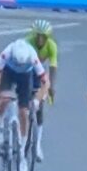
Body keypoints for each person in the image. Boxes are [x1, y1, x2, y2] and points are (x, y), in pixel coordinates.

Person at [0, 39, 51, 171]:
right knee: (4, 98)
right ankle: (0, 125)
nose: (19, 64)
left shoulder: (32, 56)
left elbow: (45, 83)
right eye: (17, 62)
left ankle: (23, 152)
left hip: (25, 76)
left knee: (24, 112)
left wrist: (37, 99)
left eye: (21, 63)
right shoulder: (7, 52)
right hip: (9, 73)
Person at [26, 19, 59, 162]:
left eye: (43, 37)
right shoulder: (27, 42)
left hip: (40, 74)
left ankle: (37, 144)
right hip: (26, 71)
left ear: (47, 37)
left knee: (39, 109)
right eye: (37, 36)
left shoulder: (52, 46)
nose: (40, 39)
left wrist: (52, 86)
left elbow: (53, 67)